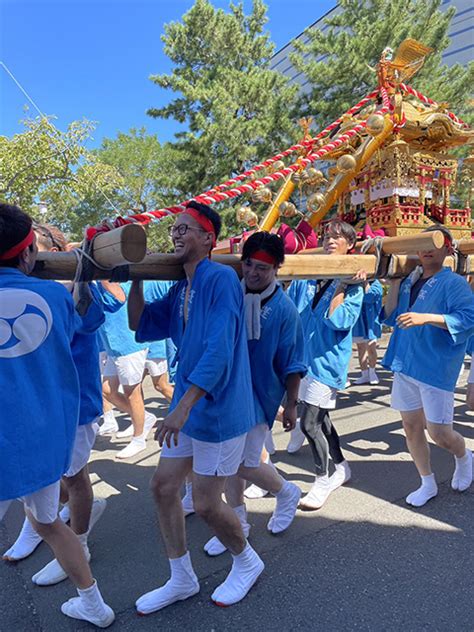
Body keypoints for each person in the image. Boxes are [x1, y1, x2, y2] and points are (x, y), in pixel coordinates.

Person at [127, 201, 263, 612]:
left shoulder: (221, 278)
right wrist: (134, 277)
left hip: (217, 410)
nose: (176, 234)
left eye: (186, 228)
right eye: (174, 228)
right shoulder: (181, 287)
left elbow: (219, 350)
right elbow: (139, 323)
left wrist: (182, 407)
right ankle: (181, 578)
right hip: (188, 405)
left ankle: (247, 560)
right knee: (163, 487)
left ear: (209, 238)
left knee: (205, 503)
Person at [0, 204, 114, 627]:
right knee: (49, 521)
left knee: (49, 518)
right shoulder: (55, 297)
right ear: (29, 252)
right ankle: (93, 602)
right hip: (45, 440)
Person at [203, 232, 305, 556]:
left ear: (277, 269)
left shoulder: (285, 310)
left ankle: (286, 491)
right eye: (249, 264)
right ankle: (238, 522)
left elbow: (293, 362)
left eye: (263, 267)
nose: (253, 272)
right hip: (228, 392)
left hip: (261, 397)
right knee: (231, 464)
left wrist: (291, 405)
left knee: (242, 464)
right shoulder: (234, 292)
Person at [382, 225, 474, 507]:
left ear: (448, 248)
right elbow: (390, 316)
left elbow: (468, 318)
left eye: (433, 242)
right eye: (422, 242)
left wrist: (427, 318)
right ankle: (427, 482)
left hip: (435, 366)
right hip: (405, 362)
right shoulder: (411, 280)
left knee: (440, 434)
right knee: (410, 426)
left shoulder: (454, 282)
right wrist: (395, 283)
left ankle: (463, 455)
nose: (426, 249)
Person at [287, 220, 365, 509]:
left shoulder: (356, 285)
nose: (330, 240)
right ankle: (343, 466)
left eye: (337, 237)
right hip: (304, 359)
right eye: (327, 236)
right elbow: (292, 309)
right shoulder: (311, 276)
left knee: (309, 424)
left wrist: (343, 284)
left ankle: (322, 478)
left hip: (327, 363)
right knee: (323, 421)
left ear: (350, 245)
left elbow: (338, 319)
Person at [99, 281, 156, 459]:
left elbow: (120, 296)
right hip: (113, 346)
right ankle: (144, 418)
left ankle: (139, 439)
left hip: (128, 344)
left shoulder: (117, 276)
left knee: (133, 393)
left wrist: (99, 275)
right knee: (107, 390)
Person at [352, 279, 383, 385]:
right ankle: (364, 374)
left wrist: (365, 283)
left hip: (371, 321)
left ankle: (373, 372)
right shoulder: (356, 284)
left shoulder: (376, 284)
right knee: (360, 347)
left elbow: (370, 297)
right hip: (360, 321)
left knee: (371, 347)